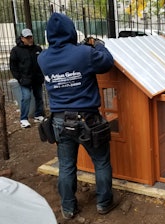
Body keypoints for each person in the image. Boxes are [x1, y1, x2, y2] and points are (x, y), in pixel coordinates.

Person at [37, 13, 119, 220]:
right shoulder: (84, 53)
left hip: (59, 121)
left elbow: (66, 59)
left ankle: (68, 208)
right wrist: (97, 45)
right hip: (87, 120)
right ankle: (104, 203)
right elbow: (107, 62)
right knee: (101, 162)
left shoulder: (42, 58)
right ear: (71, 31)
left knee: (65, 165)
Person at [10, 28, 45, 128]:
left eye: (31, 37)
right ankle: (23, 118)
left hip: (37, 78)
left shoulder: (37, 49)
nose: (30, 39)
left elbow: (42, 62)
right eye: (27, 38)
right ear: (22, 38)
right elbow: (13, 66)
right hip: (25, 79)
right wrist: (19, 78)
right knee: (26, 97)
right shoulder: (16, 51)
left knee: (39, 97)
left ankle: (38, 114)